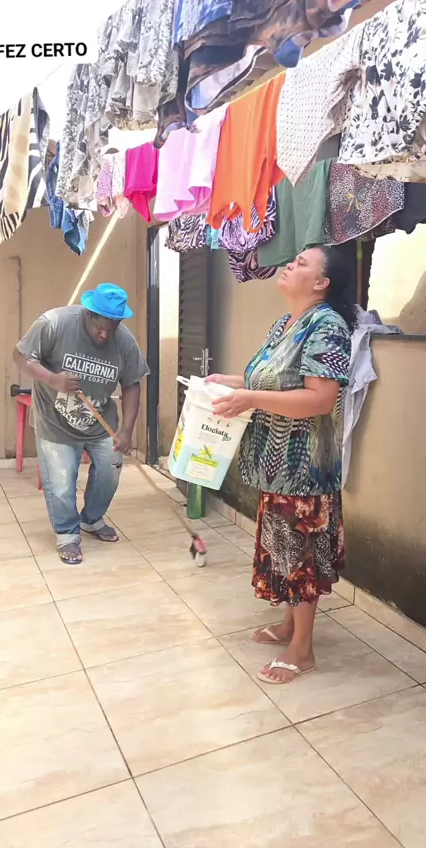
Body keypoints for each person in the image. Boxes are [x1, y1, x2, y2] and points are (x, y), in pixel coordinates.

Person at [207, 246, 354, 685]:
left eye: (302, 263)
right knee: (285, 550)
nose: (289, 264)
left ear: (322, 283)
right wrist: (232, 383)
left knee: (300, 557)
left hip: (303, 468)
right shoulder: (285, 324)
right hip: (275, 465)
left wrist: (250, 398)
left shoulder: (327, 325)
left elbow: (320, 398)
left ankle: (302, 651)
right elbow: (273, 380)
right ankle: (291, 627)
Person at [13, 283, 149, 565]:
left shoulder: (124, 341)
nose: (105, 335)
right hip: (55, 422)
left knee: (110, 472)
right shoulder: (55, 323)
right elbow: (21, 356)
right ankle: (66, 534)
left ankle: (91, 519)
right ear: (88, 314)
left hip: (101, 423)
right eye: (100, 328)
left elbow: (132, 384)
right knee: (61, 483)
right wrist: (53, 380)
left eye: (112, 328)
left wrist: (126, 430)